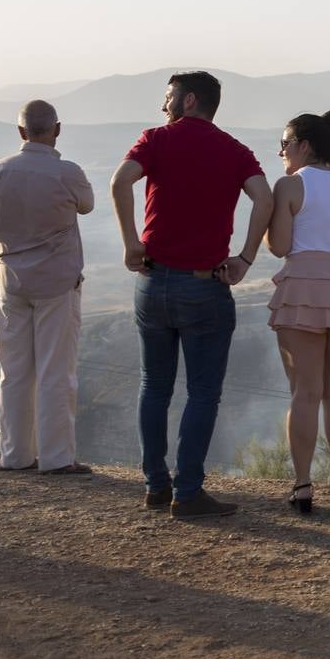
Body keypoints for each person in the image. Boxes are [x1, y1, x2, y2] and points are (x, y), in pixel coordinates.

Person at [110, 72, 272, 519]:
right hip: (204, 286)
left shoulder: (155, 140)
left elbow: (120, 182)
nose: (163, 105)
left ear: (188, 100)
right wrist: (245, 258)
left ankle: (155, 486)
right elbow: (264, 199)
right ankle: (188, 492)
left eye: (168, 97)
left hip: (152, 281)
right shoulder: (235, 151)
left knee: (153, 386)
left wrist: (131, 245)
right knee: (202, 393)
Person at [0, 100, 94, 474]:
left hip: (10, 280)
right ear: (57, 129)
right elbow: (86, 206)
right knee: (56, 371)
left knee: (14, 371)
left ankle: (15, 455)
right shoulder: (68, 173)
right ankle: (57, 458)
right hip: (57, 282)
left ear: (21, 131)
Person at [265, 110, 330, 514]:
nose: (281, 151)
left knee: (305, 392)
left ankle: (303, 486)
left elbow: (279, 246)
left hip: (304, 288)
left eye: (285, 143)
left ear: (304, 146)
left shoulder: (291, 185)